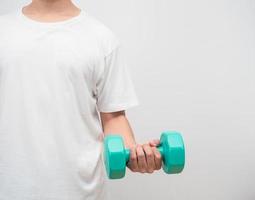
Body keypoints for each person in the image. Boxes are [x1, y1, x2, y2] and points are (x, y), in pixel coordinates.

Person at [0, 0, 163, 199]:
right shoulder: (3, 32)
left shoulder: (101, 38)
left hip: (81, 192)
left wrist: (135, 154)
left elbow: (113, 118)